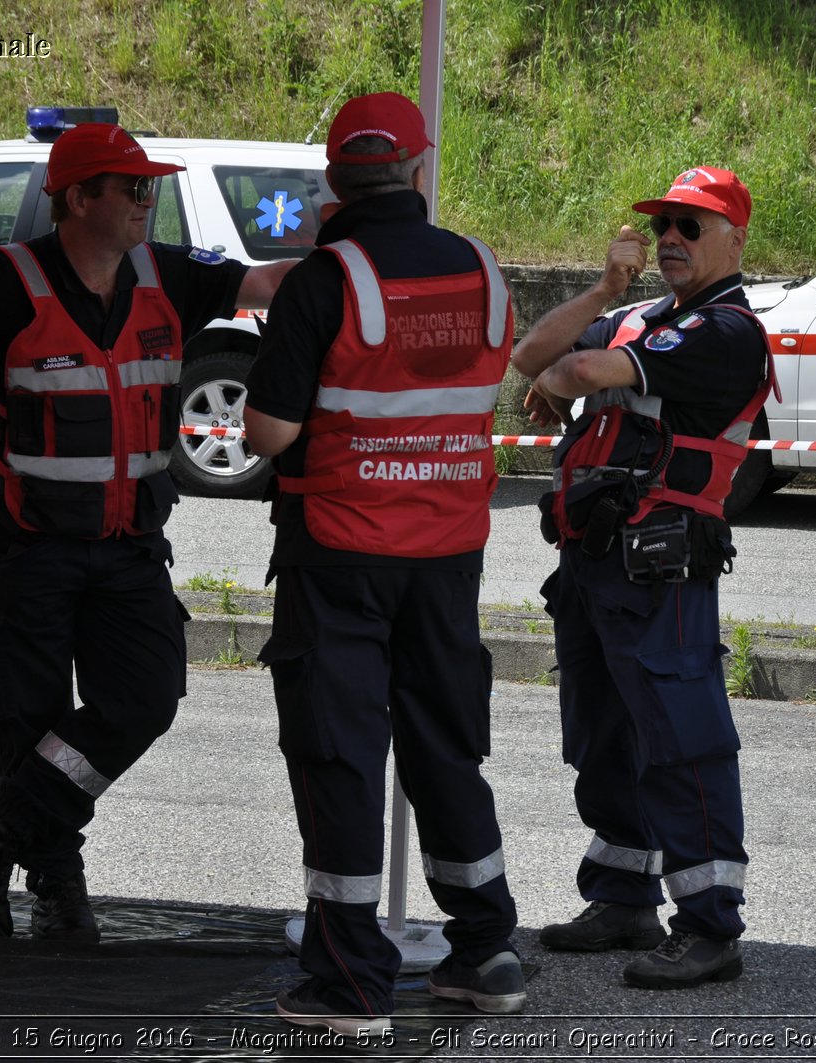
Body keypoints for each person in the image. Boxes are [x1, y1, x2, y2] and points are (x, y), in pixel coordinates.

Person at [0, 122, 295, 943]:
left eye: (149, 188)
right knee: (28, 714)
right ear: (78, 198)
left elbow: (270, 283)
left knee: (144, 698)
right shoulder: (4, 281)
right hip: (24, 544)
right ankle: (58, 886)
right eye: (132, 189)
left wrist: (370, 254)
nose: (145, 202)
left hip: (127, 543)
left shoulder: (171, 273)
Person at [242, 91, 524, 1035]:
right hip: (449, 550)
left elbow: (269, 431)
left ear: (333, 179)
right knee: (448, 741)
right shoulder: (484, 272)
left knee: (341, 752)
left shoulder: (325, 281)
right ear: (417, 166)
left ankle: (350, 982)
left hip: (342, 552)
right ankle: (486, 947)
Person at [511, 166, 774, 989]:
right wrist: (603, 289)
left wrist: (566, 379)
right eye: (663, 223)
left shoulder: (726, 331)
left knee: (682, 741)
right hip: (594, 562)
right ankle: (624, 897)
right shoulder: (639, 317)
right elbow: (530, 355)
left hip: (660, 566)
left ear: (733, 237)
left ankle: (709, 924)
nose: (670, 237)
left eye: (691, 226)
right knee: (603, 735)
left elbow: (573, 376)